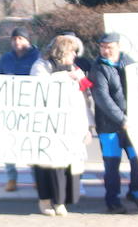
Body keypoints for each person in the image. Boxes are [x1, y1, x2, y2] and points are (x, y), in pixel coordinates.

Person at [30, 35, 92, 216]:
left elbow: (84, 100)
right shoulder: (42, 65)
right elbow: (38, 86)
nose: (74, 55)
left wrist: (88, 126)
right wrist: (66, 76)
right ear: (62, 51)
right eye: (71, 51)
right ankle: (45, 200)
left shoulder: (76, 69)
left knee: (64, 166)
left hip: (69, 126)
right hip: (46, 125)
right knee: (46, 165)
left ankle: (60, 200)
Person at [89, 33, 138, 214]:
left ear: (118, 47)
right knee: (112, 165)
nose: (106, 51)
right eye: (103, 47)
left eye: (110, 47)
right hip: (109, 127)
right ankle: (112, 199)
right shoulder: (98, 68)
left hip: (133, 124)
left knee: (137, 161)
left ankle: (136, 192)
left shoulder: (130, 64)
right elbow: (102, 98)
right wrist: (121, 119)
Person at [0, 27, 40, 192]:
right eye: (14, 39)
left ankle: (37, 177)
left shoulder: (38, 56)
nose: (17, 42)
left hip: (32, 108)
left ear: (28, 40)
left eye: (21, 39)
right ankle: (11, 178)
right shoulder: (5, 58)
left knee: (33, 144)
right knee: (8, 144)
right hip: (9, 107)